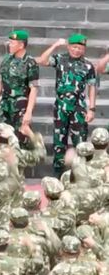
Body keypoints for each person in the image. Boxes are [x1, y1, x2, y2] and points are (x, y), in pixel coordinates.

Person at [36, 34, 97, 176]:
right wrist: (55, 45)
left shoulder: (88, 65)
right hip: (60, 108)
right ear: (69, 46)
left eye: (80, 48)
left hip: (78, 108)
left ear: (84, 49)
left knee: (80, 143)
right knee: (59, 143)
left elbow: (92, 87)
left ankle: (80, 175)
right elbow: (42, 60)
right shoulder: (60, 59)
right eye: (74, 47)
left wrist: (92, 108)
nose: (77, 50)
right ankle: (57, 176)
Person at [0, 29, 39, 132]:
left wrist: (29, 112)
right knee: (2, 136)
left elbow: (33, 89)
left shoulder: (30, 63)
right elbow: (0, 80)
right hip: (4, 104)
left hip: (20, 106)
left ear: (21, 45)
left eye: (12, 43)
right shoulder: (6, 59)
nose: (9, 45)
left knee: (20, 139)